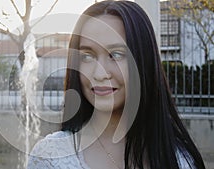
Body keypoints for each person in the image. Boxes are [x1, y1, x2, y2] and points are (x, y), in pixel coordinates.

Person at [27, 1, 205, 169]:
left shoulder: (180, 160)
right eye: (87, 56)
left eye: (117, 54)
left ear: (143, 61)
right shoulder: (50, 157)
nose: (99, 73)